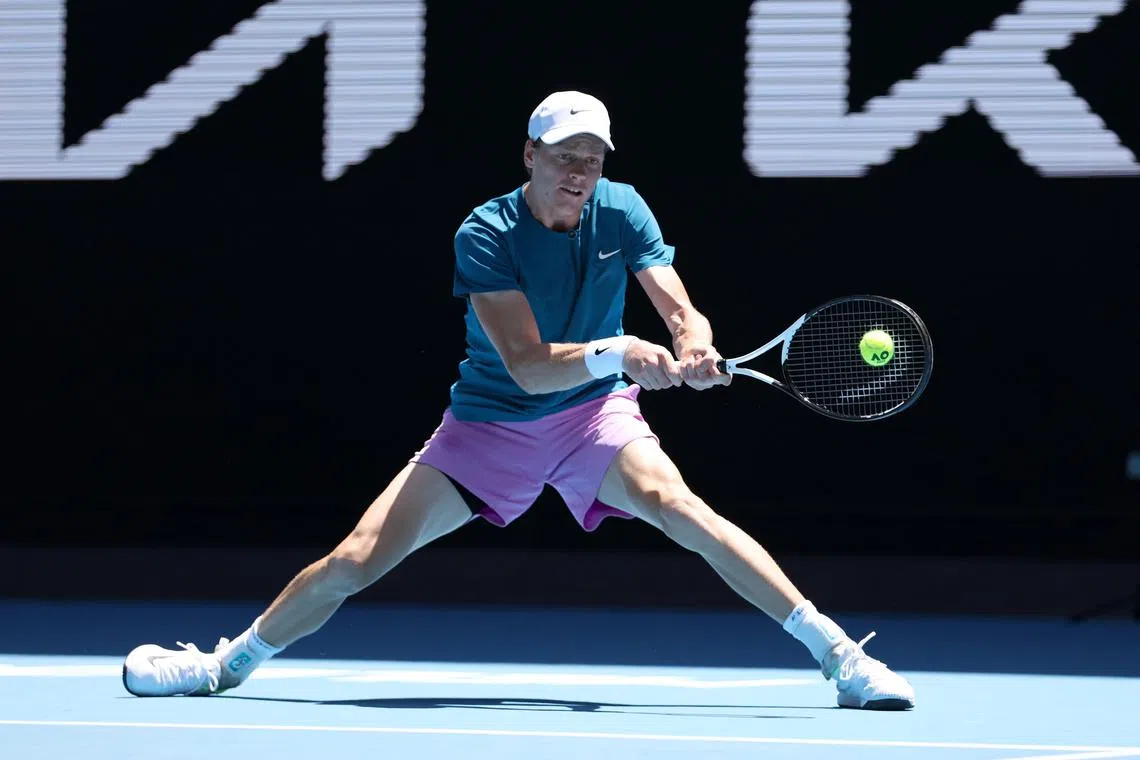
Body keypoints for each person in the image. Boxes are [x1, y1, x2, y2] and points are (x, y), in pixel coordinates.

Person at [122, 90, 915, 711]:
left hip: (592, 419)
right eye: (565, 155)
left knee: (684, 510)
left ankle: (842, 657)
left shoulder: (623, 207)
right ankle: (222, 667)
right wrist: (621, 351)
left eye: (593, 160)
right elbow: (532, 368)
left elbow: (676, 305)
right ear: (529, 154)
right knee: (356, 561)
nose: (580, 172)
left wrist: (692, 341)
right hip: (490, 426)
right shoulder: (485, 234)